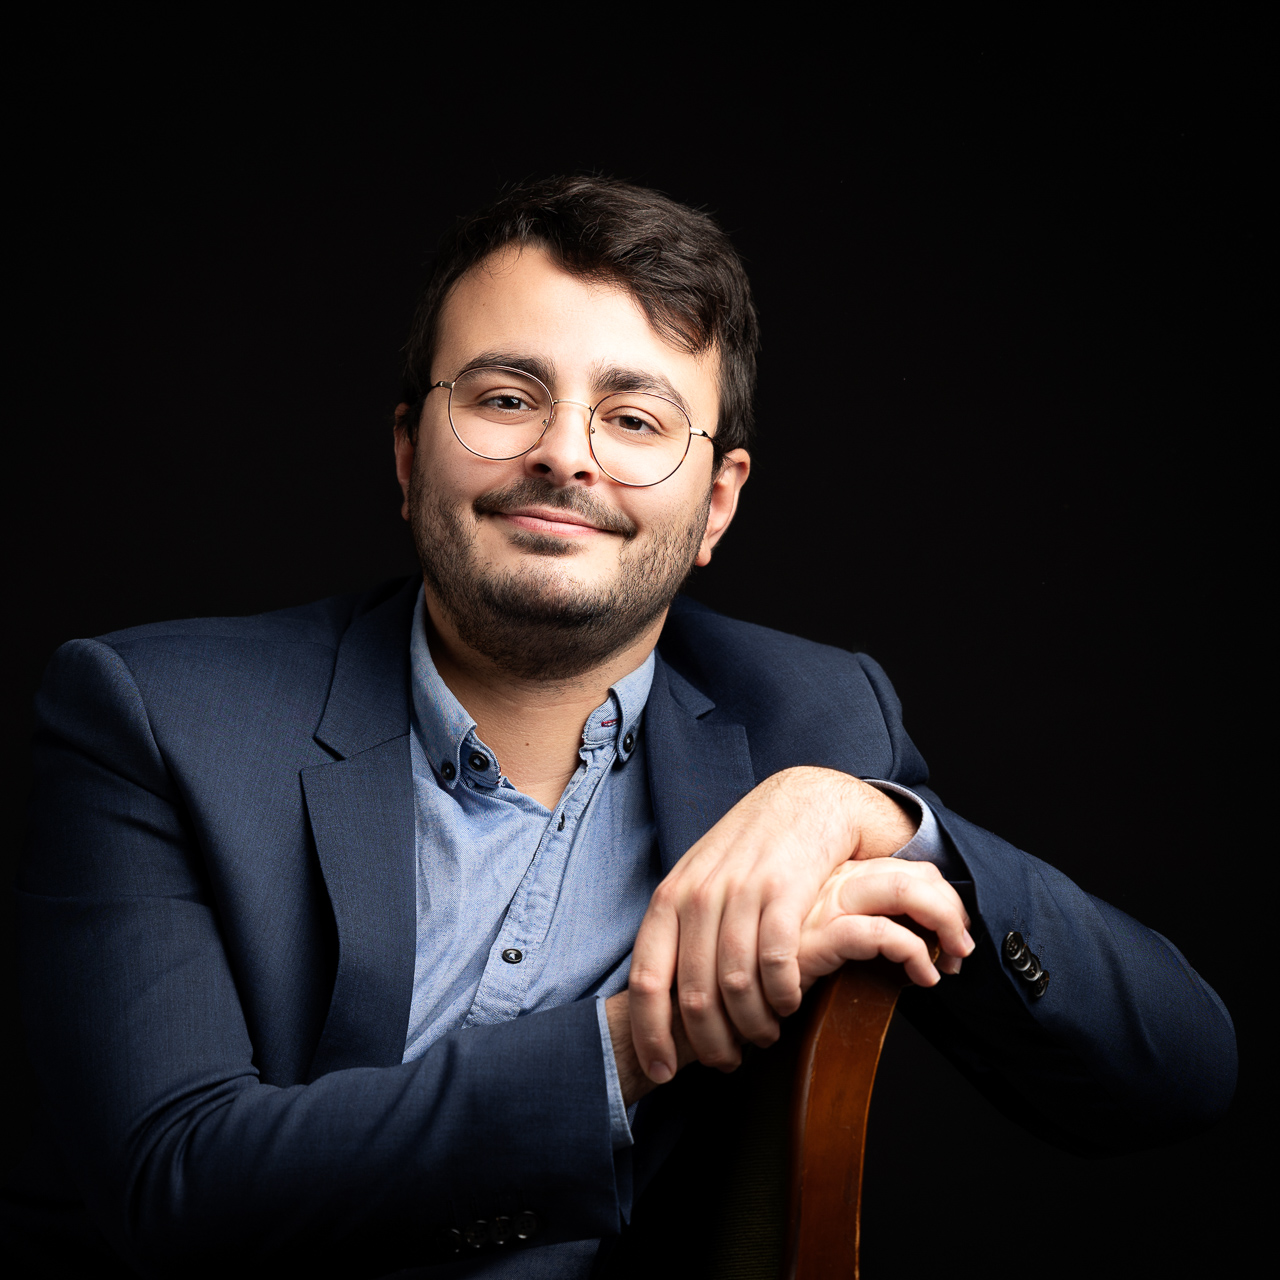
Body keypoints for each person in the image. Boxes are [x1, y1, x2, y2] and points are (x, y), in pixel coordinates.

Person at [12, 176, 1236, 1278]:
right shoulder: (153, 713)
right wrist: (628, 1047)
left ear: (714, 504)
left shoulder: (810, 720)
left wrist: (882, 820)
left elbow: (1174, 1072)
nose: (563, 456)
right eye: (504, 396)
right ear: (404, 451)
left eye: (635, 419)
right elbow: (176, 1184)